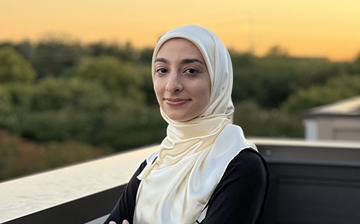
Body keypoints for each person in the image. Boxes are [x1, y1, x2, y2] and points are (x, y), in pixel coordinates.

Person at [104, 25, 268, 224]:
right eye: (162, 70)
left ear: (219, 80)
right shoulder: (156, 162)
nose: (172, 86)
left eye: (191, 71)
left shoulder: (241, 165)